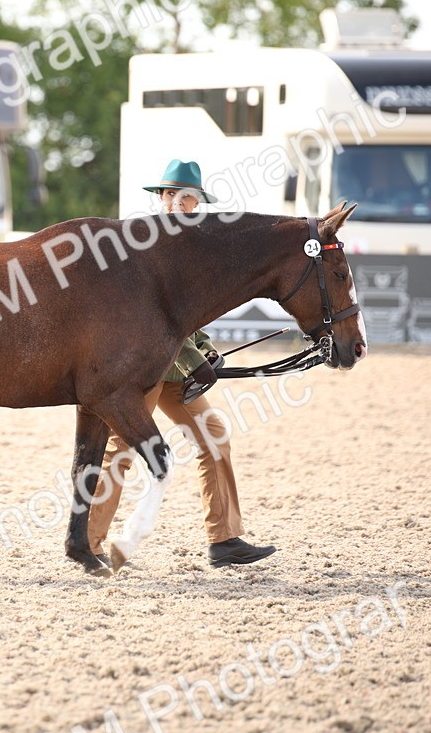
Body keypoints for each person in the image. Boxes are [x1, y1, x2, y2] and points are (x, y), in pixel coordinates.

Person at [87, 159, 277, 569]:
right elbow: (159, 317)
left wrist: (205, 350)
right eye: (172, 195)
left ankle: (225, 539)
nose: (179, 202)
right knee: (121, 450)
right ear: (162, 198)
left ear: (196, 202)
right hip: (144, 366)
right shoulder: (147, 243)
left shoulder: (193, 248)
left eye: (187, 197)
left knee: (214, 437)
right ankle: (89, 542)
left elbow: (189, 317)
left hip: (174, 368)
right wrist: (195, 359)